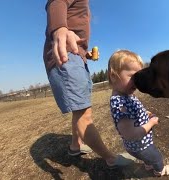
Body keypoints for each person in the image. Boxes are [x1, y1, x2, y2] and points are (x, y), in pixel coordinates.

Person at [43, 0, 133, 167]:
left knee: (79, 111)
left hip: (77, 56)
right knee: (84, 115)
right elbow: (56, 2)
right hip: (65, 56)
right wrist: (59, 28)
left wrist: (87, 54)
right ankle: (110, 158)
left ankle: (75, 146)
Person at [107, 50, 169, 176]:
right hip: (141, 146)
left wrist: (145, 112)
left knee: (148, 158)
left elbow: (135, 110)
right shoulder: (120, 103)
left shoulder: (126, 95)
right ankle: (160, 170)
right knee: (157, 157)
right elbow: (131, 134)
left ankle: (148, 164)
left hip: (139, 145)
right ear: (113, 75)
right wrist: (151, 123)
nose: (137, 81)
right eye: (133, 76)